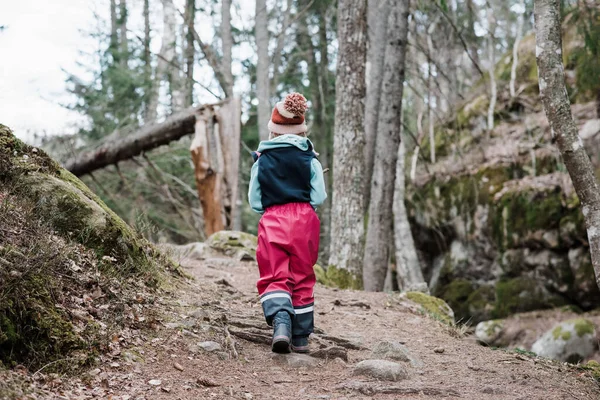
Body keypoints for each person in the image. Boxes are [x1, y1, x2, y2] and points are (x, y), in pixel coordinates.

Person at [248, 93, 327, 353]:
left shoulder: (262, 161)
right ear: (302, 130)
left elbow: (255, 201)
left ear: (273, 131)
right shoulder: (310, 159)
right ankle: (302, 337)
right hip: (305, 220)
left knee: (274, 274)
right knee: (303, 274)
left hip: (273, 220)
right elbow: (319, 196)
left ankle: (281, 324)